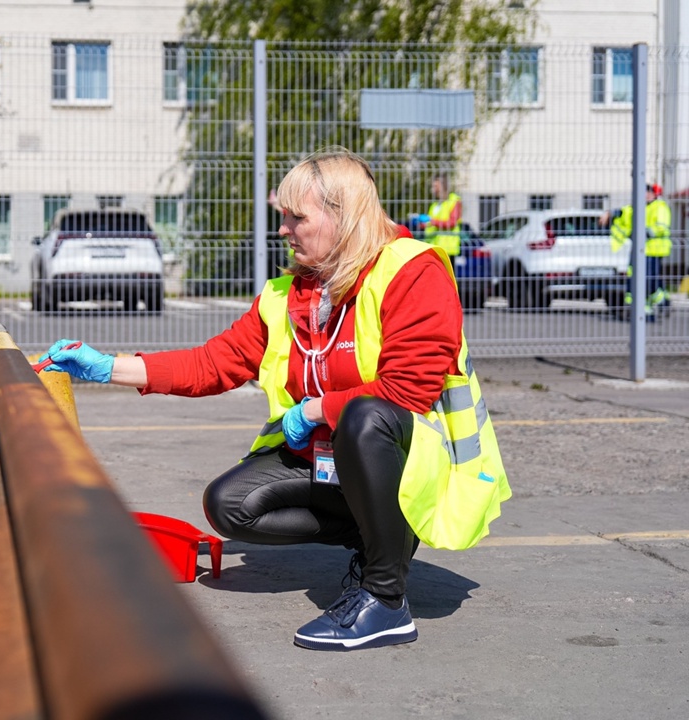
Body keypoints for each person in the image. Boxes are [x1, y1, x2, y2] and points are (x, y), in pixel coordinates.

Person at [40, 148, 510, 652]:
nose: (283, 230)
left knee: (366, 417)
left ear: (342, 217)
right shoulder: (292, 294)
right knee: (230, 506)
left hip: (416, 462)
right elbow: (213, 362)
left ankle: (385, 599)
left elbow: (407, 390)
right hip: (335, 465)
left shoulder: (412, 271)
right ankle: (375, 535)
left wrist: (312, 410)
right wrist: (108, 367)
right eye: (282, 217)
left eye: (296, 218)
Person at [601, 183, 672, 321]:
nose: (642, 195)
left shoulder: (660, 207)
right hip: (640, 250)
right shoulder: (639, 207)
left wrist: (645, 232)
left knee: (649, 280)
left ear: (652, 194)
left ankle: (662, 301)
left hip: (654, 250)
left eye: (645, 192)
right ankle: (645, 311)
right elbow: (624, 211)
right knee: (637, 278)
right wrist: (610, 212)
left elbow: (661, 226)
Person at [420, 174, 462, 257]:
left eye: (436, 186)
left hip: (447, 249)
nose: (433, 189)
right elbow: (430, 223)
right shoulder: (435, 205)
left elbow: (452, 222)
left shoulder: (454, 201)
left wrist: (432, 222)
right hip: (433, 247)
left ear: (443, 186)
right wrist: (423, 223)